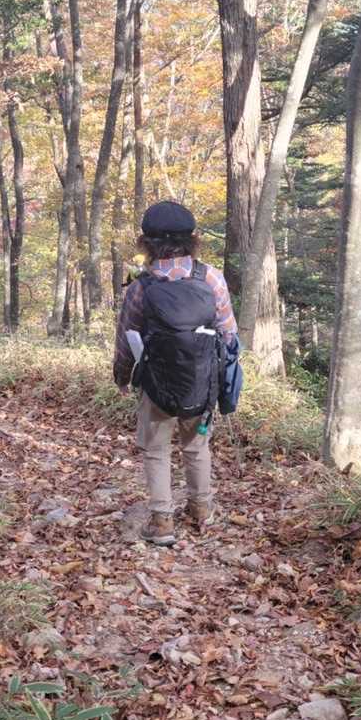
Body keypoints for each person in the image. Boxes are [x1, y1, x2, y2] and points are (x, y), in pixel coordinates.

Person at [114, 201, 237, 547]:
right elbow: (229, 334)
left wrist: (122, 377)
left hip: (156, 383)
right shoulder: (210, 277)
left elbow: (126, 338)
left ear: (146, 242)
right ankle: (201, 509)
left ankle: (162, 522)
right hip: (201, 380)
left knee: (156, 450)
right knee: (197, 446)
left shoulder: (141, 287)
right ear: (192, 239)